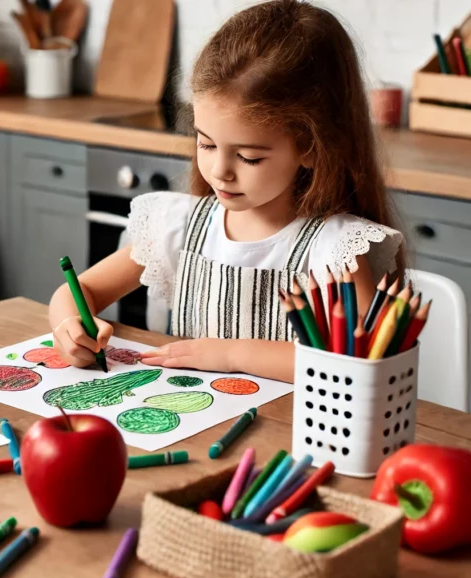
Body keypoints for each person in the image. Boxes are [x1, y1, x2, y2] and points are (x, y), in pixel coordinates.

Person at [49, 0, 403, 382]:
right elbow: (78, 289)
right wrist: (70, 325)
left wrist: (233, 352)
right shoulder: (182, 226)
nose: (220, 172)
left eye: (249, 157)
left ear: (310, 149)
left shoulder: (335, 251)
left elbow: (361, 361)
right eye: (206, 144)